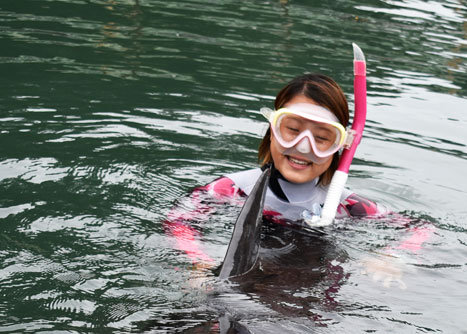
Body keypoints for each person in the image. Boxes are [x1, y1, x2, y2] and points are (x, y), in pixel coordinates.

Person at [165, 73, 431, 286]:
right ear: (272, 130)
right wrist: (198, 261)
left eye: (321, 138)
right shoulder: (233, 190)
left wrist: (389, 257)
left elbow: (421, 228)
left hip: (313, 299)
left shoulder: (347, 206)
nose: (303, 147)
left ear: (341, 146)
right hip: (242, 288)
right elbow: (179, 219)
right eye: (292, 130)